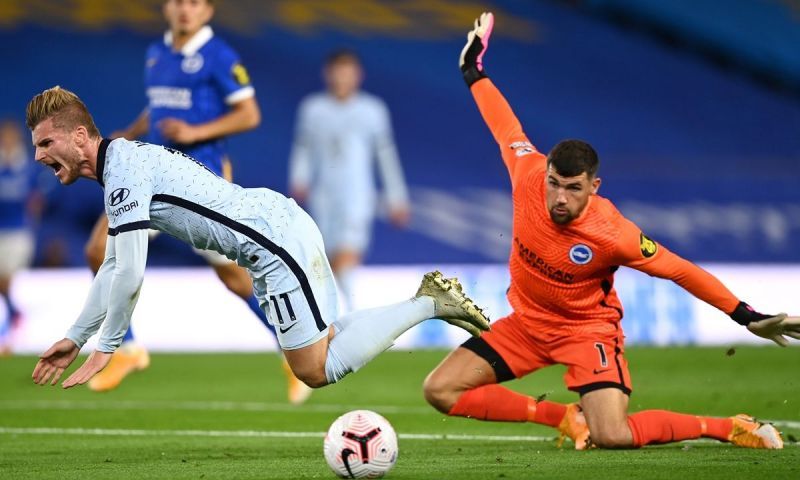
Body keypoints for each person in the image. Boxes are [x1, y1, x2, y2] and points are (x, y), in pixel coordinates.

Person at [422, 13, 800, 451]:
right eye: (554, 184)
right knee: (439, 390)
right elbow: (504, 126)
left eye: (573, 188)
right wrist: (473, 73)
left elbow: (679, 270)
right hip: (526, 326)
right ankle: (562, 416)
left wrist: (745, 315)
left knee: (613, 435)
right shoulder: (527, 173)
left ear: (593, 187)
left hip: (588, 334)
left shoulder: (613, 232)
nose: (559, 197)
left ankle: (729, 427)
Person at [26, 86, 490, 393]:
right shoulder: (120, 166)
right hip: (271, 231)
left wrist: (108, 344)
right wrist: (75, 335)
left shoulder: (124, 173)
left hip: (271, 245)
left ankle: (430, 303)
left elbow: (129, 271)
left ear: (81, 136)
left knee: (314, 368)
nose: (38, 154)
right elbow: (111, 266)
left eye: (46, 143)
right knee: (322, 344)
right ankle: (429, 301)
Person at [81, 0, 308, 402]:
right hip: (151, 177)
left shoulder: (219, 56)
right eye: (179, 2)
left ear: (208, 11)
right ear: (166, 8)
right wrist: (129, 135)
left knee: (236, 278)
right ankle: (127, 349)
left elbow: (249, 114)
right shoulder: (157, 54)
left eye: (195, 3)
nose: (186, 10)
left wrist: (194, 131)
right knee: (99, 249)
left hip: (199, 181)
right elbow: (157, 107)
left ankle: (294, 350)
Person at [289, 49, 410, 311]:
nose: (342, 79)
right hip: (323, 195)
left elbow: (386, 156)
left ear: (358, 76)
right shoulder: (313, 108)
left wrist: (396, 197)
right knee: (326, 261)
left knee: (347, 255)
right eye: (338, 73)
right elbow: (303, 147)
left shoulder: (373, 110)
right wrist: (299, 178)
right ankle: (333, 320)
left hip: (358, 195)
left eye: (348, 73)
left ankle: (352, 315)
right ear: (328, 74)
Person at [0, 120, 40, 354]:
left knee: (5, 280)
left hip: (18, 233)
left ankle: (7, 327)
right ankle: (15, 314)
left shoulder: (27, 167)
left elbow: (36, 200)